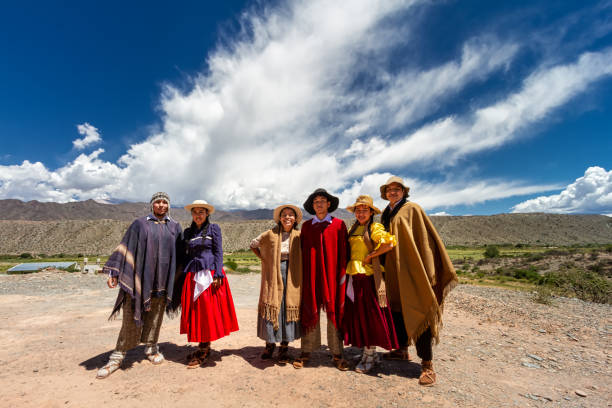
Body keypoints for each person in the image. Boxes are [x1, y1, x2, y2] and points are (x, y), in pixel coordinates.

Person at [379, 176, 458, 386]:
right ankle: (401, 350)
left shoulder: (412, 209)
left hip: (413, 270)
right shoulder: (386, 213)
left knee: (419, 308)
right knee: (396, 310)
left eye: (397, 189)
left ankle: (427, 365)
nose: (393, 192)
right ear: (385, 193)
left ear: (404, 192)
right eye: (389, 189)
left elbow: (424, 241)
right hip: (394, 271)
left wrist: (428, 271)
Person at [96, 192, 183, 379]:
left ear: (168, 206)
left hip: (163, 281)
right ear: (152, 205)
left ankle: (151, 348)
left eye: (164, 202)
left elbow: (182, 253)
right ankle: (118, 355)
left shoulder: (175, 226)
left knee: (157, 315)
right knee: (130, 315)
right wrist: (114, 272)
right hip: (140, 280)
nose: (161, 205)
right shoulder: (140, 224)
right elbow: (126, 247)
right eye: (157, 202)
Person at [178, 200, 239, 368]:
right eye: (195, 212)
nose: (198, 215)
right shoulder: (188, 232)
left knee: (206, 311)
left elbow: (218, 251)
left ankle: (204, 347)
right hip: (193, 275)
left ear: (207, 214)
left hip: (209, 273)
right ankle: (202, 345)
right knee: (195, 312)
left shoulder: (214, 229)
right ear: (192, 214)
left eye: (201, 212)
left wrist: (218, 273)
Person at [293, 188, 349, 371]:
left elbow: (344, 252)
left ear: (329, 204)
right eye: (316, 201)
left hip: (333, 276)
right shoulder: (307, 227)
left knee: (334, 311)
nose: (319, 204)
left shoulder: (339, 225)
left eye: (322, 200)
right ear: (313, 205)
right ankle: (306, 351)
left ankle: (337, 353)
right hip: (311, 276)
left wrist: (343, 276)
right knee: (310, 310)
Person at [343, 195, 398, 373]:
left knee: (370, 315)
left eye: (364, 210)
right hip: (355, 277)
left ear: (371, 212)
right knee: (360, 315)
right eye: (358, 210)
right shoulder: (354, 228)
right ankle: (368, 353)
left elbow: (389, 243)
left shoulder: (375, 227)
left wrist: (370, 256)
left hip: (368, 277)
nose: (360, 213)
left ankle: (369, 355)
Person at [250, 204, 303, 364]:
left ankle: (284, 346)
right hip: (273, 273)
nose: (287, 217)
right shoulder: (270, 234)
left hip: (293, 274)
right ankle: (270, 344)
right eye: (284, 214)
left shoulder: (300, 235)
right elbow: (253, 244)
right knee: (273, 303)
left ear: (295, 219)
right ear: (280, 218)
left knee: (288, 305)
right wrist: (264, 259)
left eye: (290, 215)